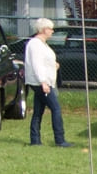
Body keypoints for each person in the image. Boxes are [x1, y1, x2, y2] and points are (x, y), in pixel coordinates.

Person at [23, 17, 71, 147]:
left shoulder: (42, 44)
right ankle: (60, 139)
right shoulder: (35, 44)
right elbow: (37, 64)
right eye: (51, 29)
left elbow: (44, 61)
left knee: (38, 111)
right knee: (56, 108)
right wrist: (43, 82)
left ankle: (35, 140)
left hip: (44, 81)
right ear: (44, 30)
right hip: (41, 83)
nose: (52, 31)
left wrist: (53, 65)